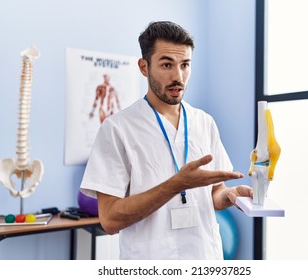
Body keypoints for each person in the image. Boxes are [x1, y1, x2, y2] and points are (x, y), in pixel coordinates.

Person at [80, 21, 253, 260]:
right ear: (144, 66)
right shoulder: (117, 129)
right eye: (166, 65)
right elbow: (109, 220)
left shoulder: (204, 122)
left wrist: (229, 196)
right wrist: (176, 184)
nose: (178, 76)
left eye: (185, 65)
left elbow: (214, 193)